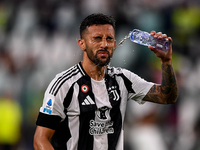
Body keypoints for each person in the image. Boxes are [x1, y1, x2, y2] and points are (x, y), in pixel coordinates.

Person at [33, 13, 178, 150]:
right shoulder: (64, 84)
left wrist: (166, 61)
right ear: (82, 44)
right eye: (97, 38)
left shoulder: (123, 79)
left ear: (115, 44)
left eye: (109, 39)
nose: (104, 44)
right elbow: (40, 139)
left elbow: (168, 96)